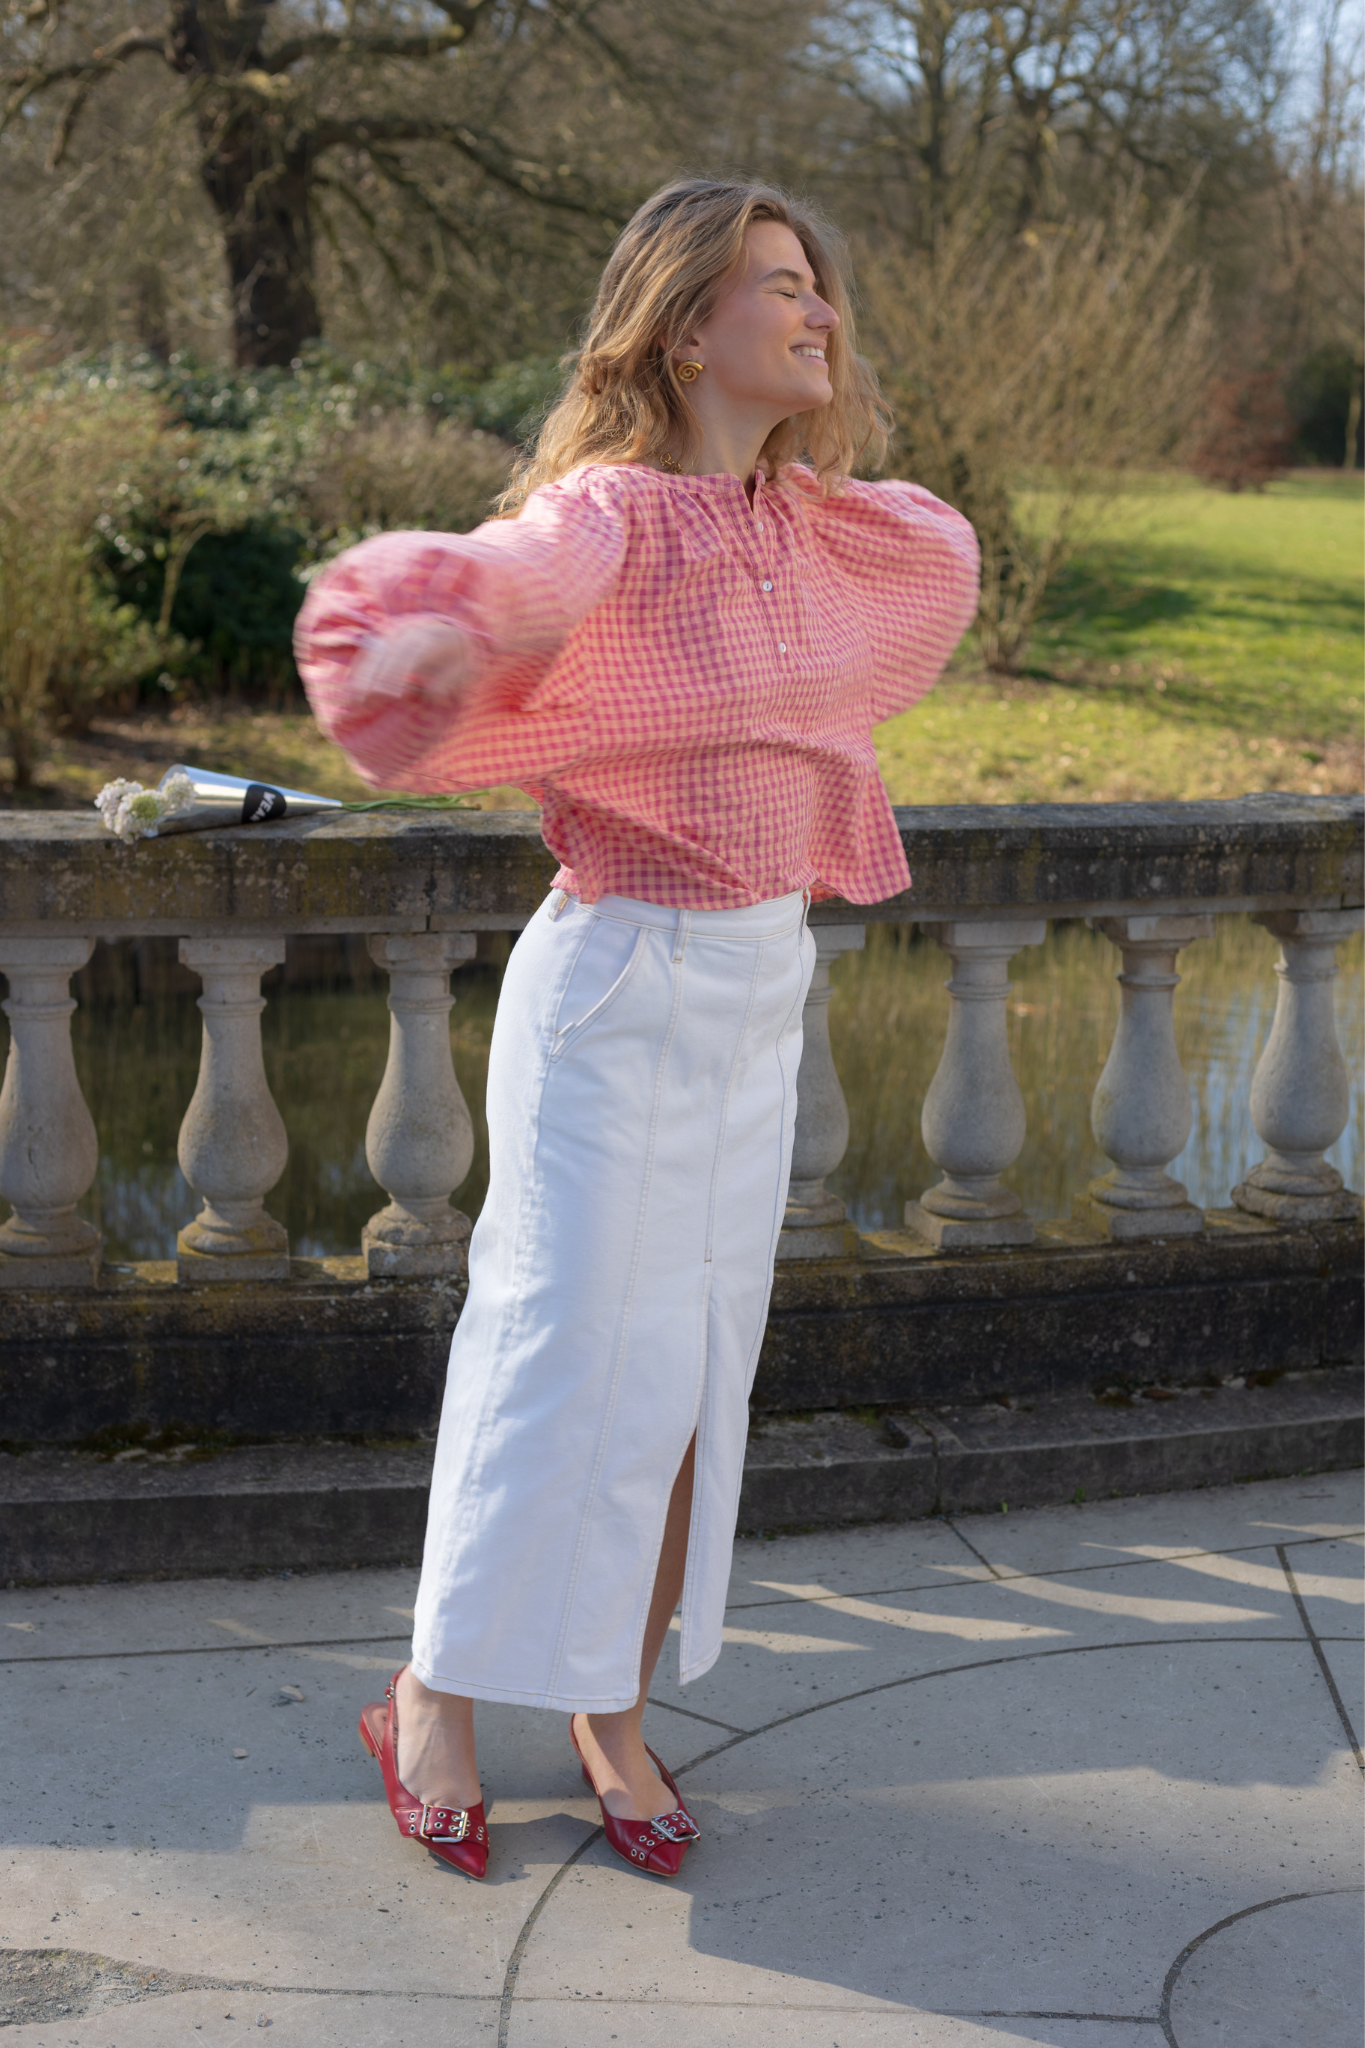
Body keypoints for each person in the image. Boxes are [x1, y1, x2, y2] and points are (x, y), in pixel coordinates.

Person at [295, 176, 979, 1882]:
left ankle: (607, 1704)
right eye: (777, 285)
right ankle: (432, 1695)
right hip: (617, 985)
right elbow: (533, 567)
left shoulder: (814, 526)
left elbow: (934, 556)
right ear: (684, 326)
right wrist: (432, 607)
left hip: (759, 989)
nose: (819, 311)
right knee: (552, 1358)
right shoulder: (613, 512)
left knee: (690, 1373)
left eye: (822, 284)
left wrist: (819, 506)